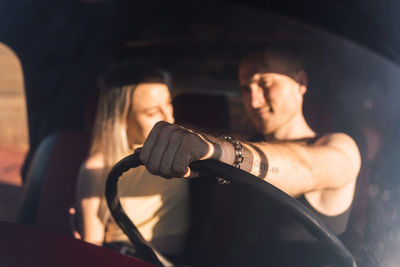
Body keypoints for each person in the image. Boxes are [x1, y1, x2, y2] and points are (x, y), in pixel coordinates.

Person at [139, 47, 361, 265]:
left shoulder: (340, 146)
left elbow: (306, 168)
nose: (254, 102)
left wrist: (223, 153)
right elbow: (200, 136)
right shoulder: (247, 140)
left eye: (265, 84)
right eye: (246, 89)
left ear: (301, 82)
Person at [75, 64, 189, 261]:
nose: (169, 118)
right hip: (124, 257)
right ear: (122, 118)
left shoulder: (185, 143)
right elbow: (92, 246)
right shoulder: (96, 167)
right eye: (152, 113)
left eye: (169, 103)